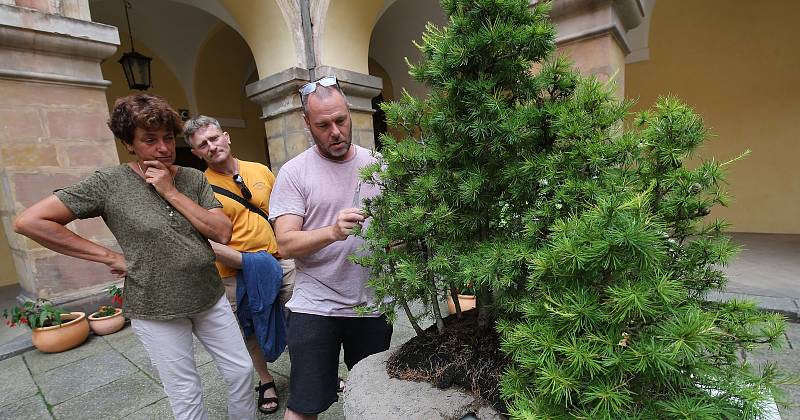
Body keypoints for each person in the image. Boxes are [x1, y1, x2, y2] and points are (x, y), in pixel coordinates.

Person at [13, 94, 256, 420]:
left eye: (168, 138)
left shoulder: (192, 178)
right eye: (150, 140)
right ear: (129, 143)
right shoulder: (108, 183)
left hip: (208, 294)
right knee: (185, 392)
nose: (163, 148)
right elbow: (30, 221)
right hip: (154, 306)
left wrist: (169, 190)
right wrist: (106, 255)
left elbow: (222, 232)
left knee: (240, 371)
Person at [269, 76, 393, 420]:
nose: (335, 131)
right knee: (305, 405)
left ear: (350, 114)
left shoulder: (378, 164)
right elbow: (285, 242)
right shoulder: (294, 173)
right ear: (307, 124)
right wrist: (332, 231)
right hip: (316, 305)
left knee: (371, 395)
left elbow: (393, 226)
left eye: (341, 120)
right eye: (323, 125)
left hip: (371, 304)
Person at [183, 115, 295, 415]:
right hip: (234, 274)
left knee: (299, 320)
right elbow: (204, 239)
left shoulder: (259, 170)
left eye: (214, 138)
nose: (211, 146)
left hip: (280, 261)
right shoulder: (197, 186)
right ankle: (266, 380)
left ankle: (308, 373)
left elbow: (281, 212)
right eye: (202, 144)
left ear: (227, 137)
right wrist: (246, 261)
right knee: (250, 330)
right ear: (196, 153)